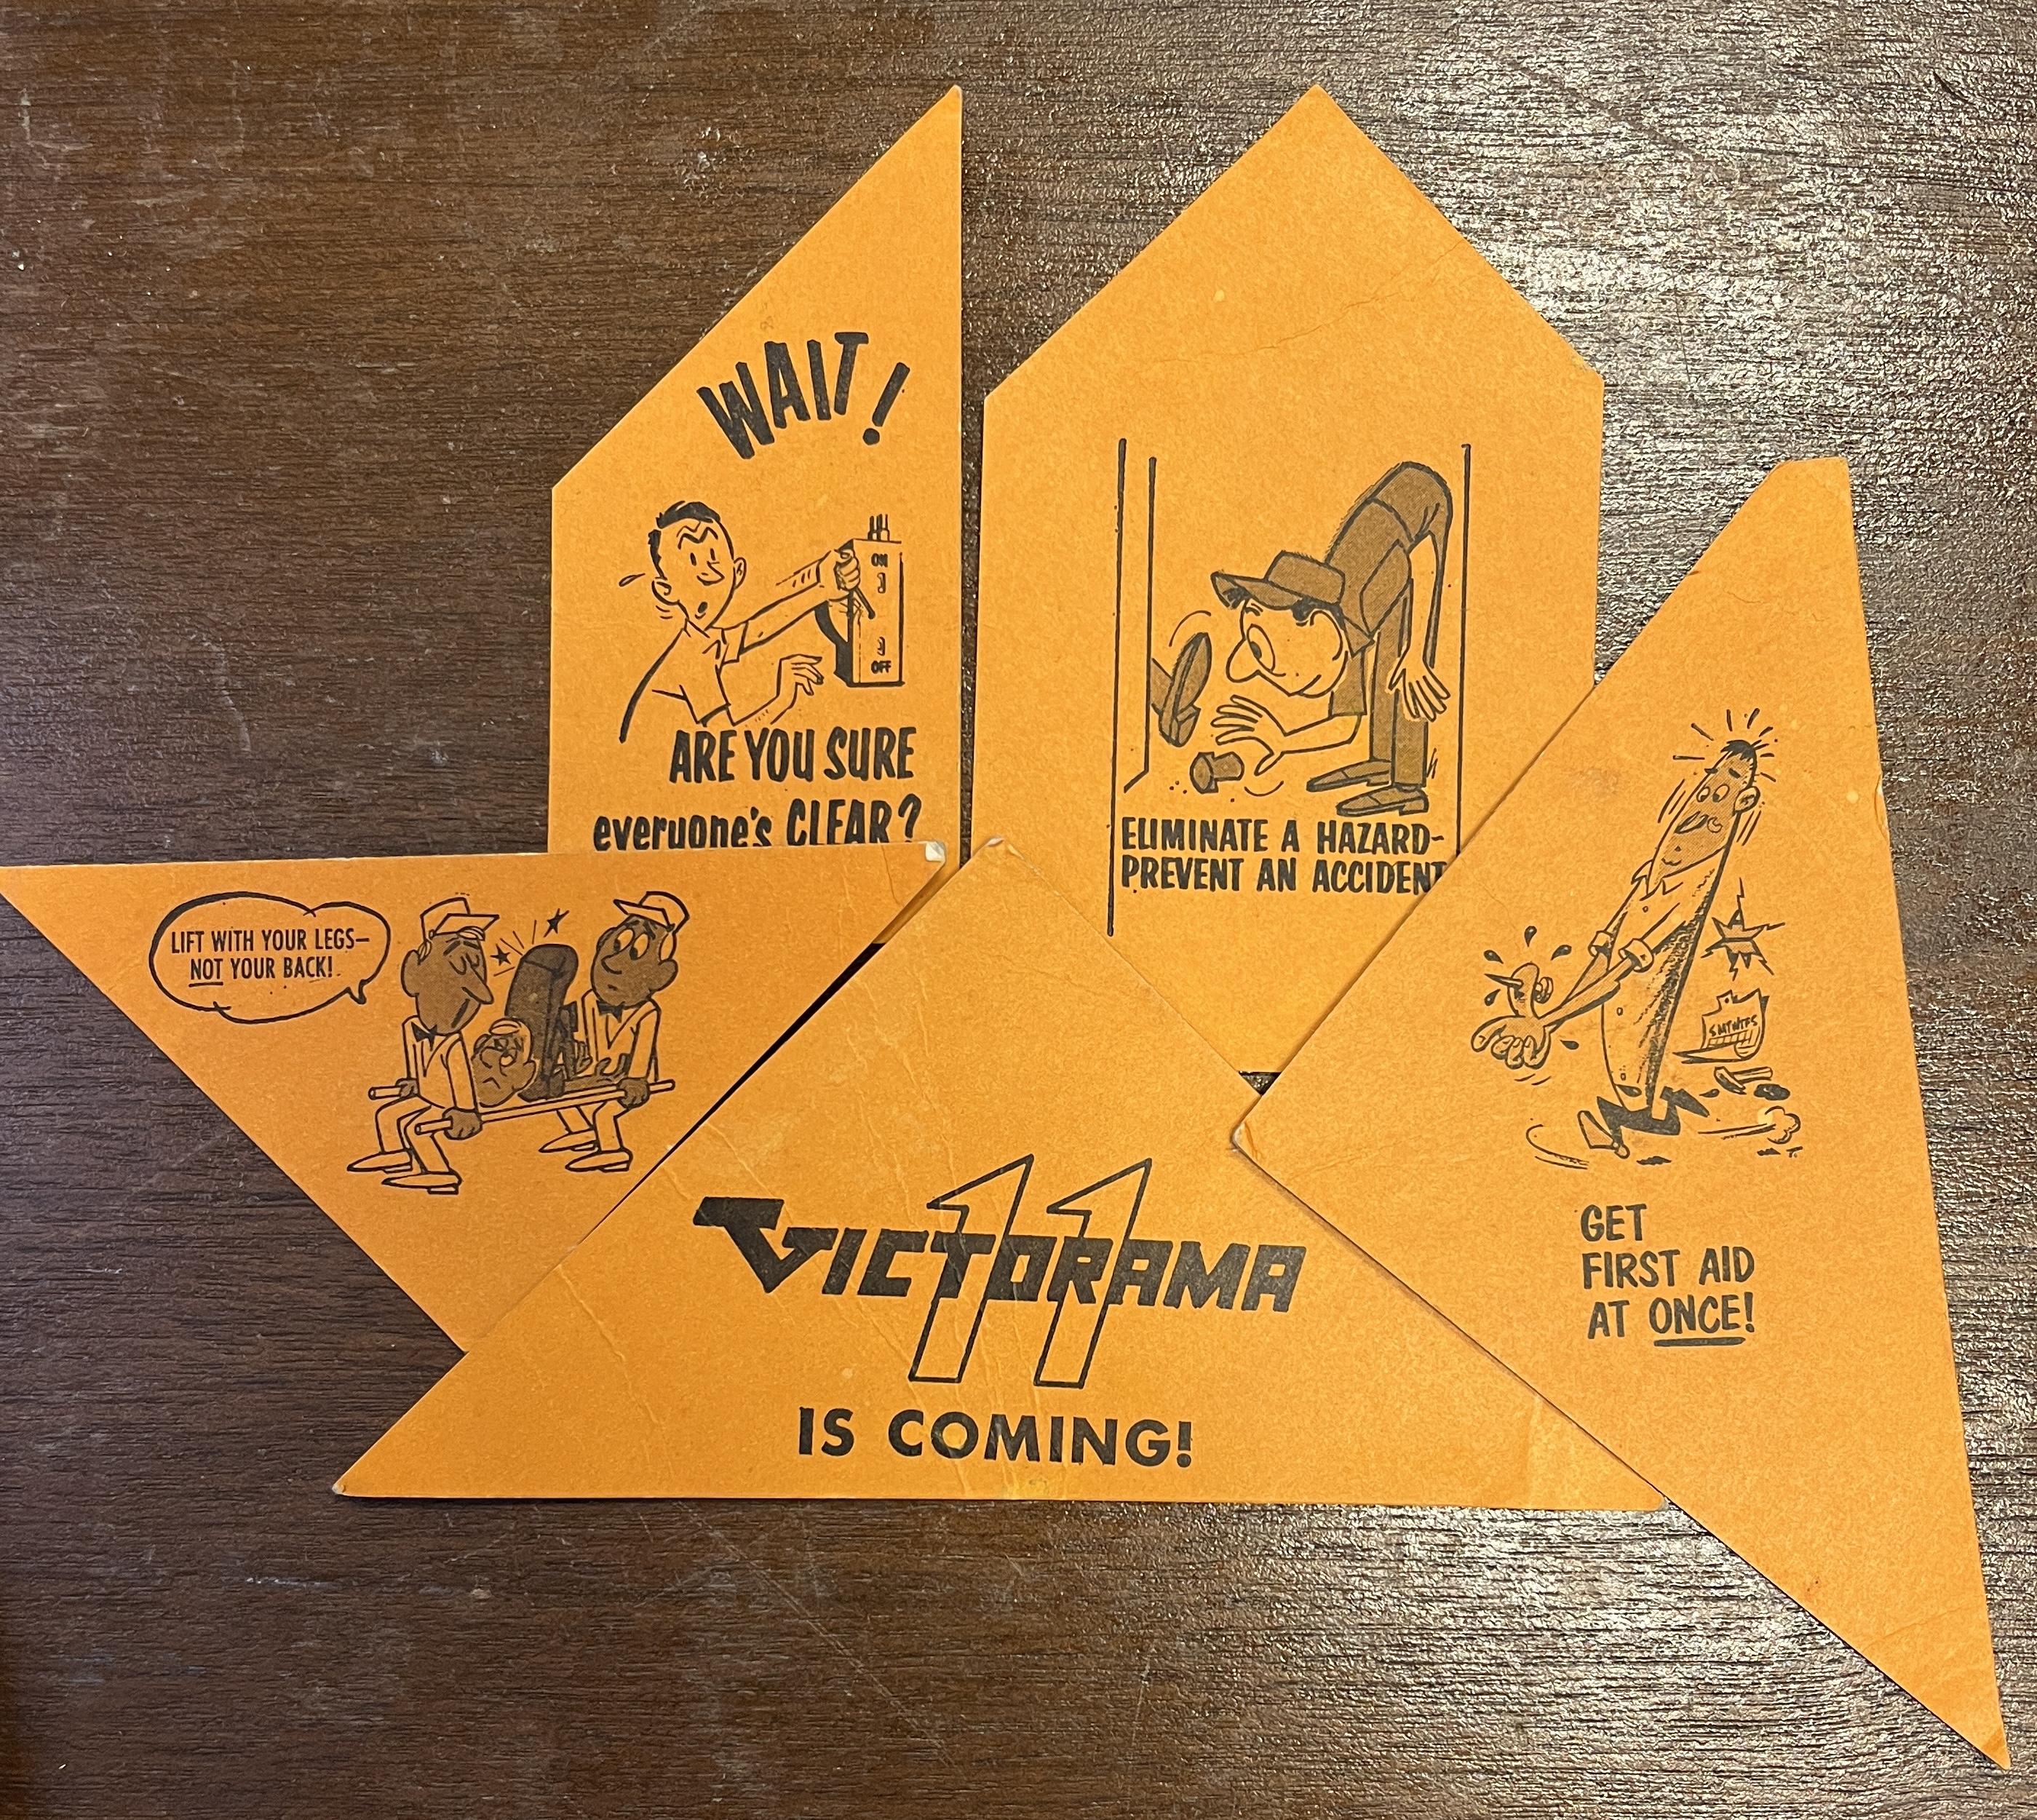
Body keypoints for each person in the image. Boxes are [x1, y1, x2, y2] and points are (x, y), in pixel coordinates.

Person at [1473, 740, 1765, 1157]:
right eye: (1710, 783)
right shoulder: (1668, 858)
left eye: (1727, 786)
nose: (1707, 799)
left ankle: (1639, 1121)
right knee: (1620, 1055)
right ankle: (1650, 1108)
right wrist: (1606, 939)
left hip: (1640, 989)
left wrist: (1550, 1020)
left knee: (1631, 1062)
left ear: (1744, 800)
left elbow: (1613, 979)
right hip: (1626, 971)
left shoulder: (1690, 890)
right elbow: (1616, 938)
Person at [1212, 462, 1454, 814]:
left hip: (1422, 509)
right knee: (1377, 659)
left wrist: (1417, 653)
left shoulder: (1363, 597)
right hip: (1388, 547)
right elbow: (1344, 723)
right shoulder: (1336, 639)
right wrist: (1283, 741)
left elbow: (1423, 557)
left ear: (1313, 619)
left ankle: (1408, 785)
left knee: (1403, 666)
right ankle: (1383, 760)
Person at [617, 501, 858, 742]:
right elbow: (726, 742)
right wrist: (783, 699)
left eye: (713, 555)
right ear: (666, 589)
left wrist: (824, 588)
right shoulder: (691, 661)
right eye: (692, 559)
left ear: (737, 571)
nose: (708, 569)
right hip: (640, 756)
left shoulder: (704, 639)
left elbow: (760, 629)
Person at [349, 897, 497, 1193]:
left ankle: (440, 1173)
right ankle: (398, 1159)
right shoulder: (411, 1028)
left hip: (447, 1105)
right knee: (387, 1115)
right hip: (426, 1096)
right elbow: (418, 1069)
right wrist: (411, 1084)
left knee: (415, 1128)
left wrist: (466, 1111)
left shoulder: (453, 1043)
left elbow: (462, 1081)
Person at [539, 890, 686, 1173]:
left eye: (636, 952)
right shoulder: (585, 1002)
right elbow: (574, 1036)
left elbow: (643, 1050)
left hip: (627, 1082)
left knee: (604, 1112)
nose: (614, 962)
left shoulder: (647, 1013)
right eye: (617, 944)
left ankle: (612, 1151)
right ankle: (582, 1132)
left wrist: (635, 1080)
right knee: (558, 1094)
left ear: (661, 975)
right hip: (593, 1075)